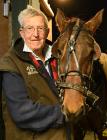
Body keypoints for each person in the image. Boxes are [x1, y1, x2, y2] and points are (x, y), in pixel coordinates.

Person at [0, 6, 73, 140]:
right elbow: (22, 112)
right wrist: (65, 112)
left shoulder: (58, 56)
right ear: (21, 33)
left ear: (47, 32)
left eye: (40, 28)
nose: (36, 34)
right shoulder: (11, 63)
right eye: (30, 28)